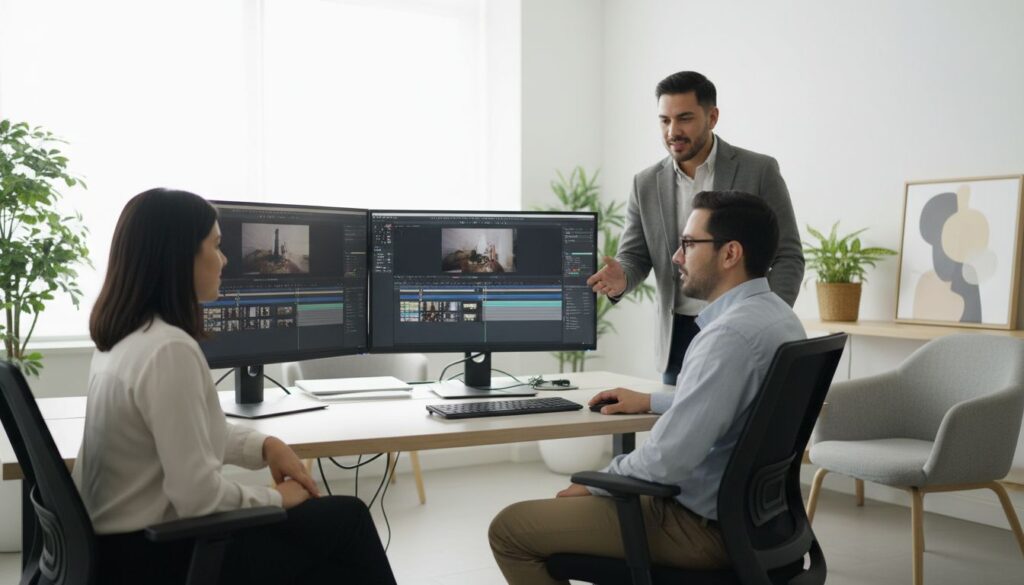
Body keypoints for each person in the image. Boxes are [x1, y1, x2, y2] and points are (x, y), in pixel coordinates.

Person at [73, 188, 397, 585]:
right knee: (346, 520)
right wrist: (281, 498)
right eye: (217, 245)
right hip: (159, 558)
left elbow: (189, 433)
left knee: (326, 539)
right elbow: (200, 498)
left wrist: (264, 446)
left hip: (113, 552)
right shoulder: (169, 349)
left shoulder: (125, 338)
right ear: (180, 257)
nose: (224, 260)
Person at [490, 191, 806, 584]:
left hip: (700, 529)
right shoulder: (780, 319)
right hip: (762, 524)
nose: (676, 257)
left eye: (689, 244)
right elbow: (741, 403)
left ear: (730, 254)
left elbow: (668, 460)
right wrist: (653, 399)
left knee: (510, 529)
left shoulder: (728, 336)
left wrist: (597, 483)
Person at [586, 71, 804, 385]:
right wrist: (622, 279)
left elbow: (789, 256)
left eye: (684, 118)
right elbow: (635, 256)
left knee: (743, 427)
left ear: (712, 117)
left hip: (742, 326)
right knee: (680, 425)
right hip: (677, 336)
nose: (673, 131)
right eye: (664, 120)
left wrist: (768, 317)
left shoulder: (759, 170)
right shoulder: (645, 183)